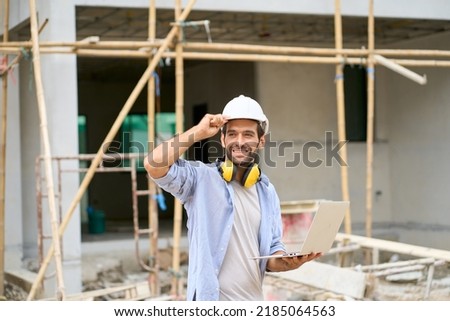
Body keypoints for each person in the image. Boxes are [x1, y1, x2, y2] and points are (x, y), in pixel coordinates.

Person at [144, 94, 321, 301]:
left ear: (261, 141)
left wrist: (288, 262)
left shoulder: (267, 192)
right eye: (233, 134)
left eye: (248, 134)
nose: (239, 141)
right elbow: (153, 164)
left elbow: (272, 252)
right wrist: (198, 132)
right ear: (222, 139)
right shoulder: (200, 180)